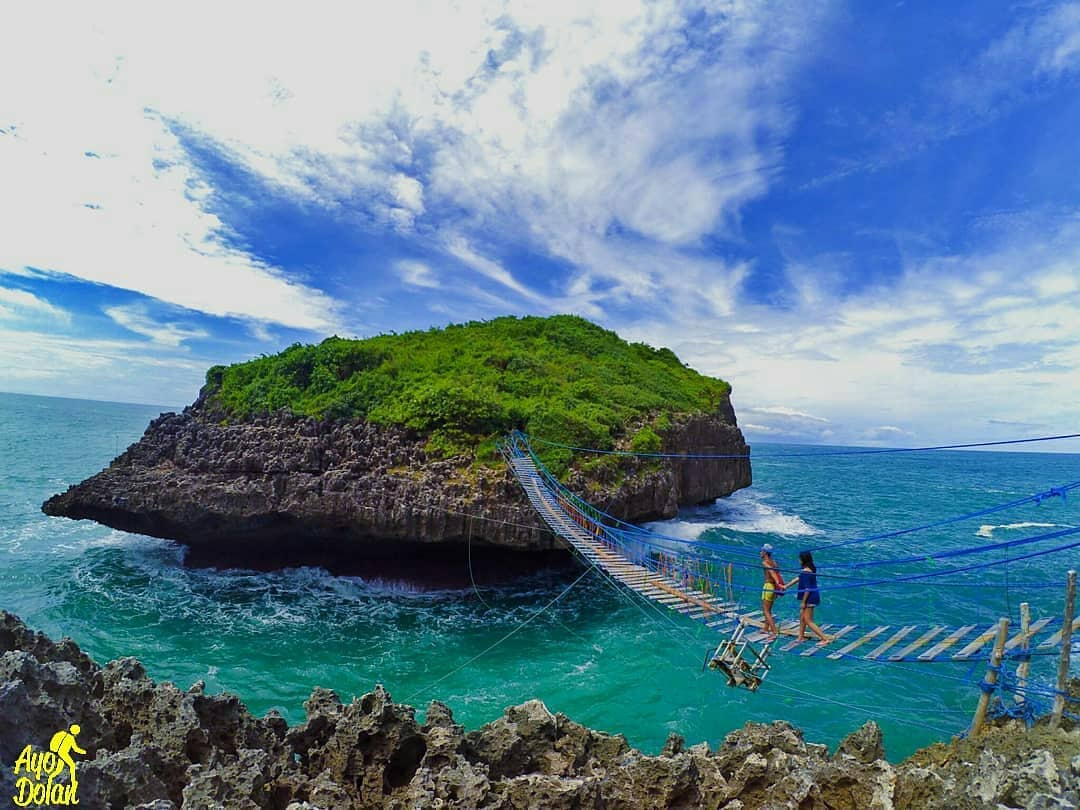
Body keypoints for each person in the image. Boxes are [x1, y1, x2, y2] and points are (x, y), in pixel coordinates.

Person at [785, 551, 831, 643]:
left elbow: (807, 589)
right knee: (802, 617)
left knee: (808, 620)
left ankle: (825, 639)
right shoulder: (810, 569)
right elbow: (798, 578)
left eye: (799, 558)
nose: (798, 560)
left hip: (810, 597)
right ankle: (800, 637)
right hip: (811, 595)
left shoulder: (806, 572)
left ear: (803, 560)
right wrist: (786, 586)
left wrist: (803, 602)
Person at [759, 543, 786, 639]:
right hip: (773, 587)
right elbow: (777, 573)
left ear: (765, 552)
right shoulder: (774, 562)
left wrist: (778, 583)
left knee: (766, 610)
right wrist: (778, 585)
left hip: (768, 586)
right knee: (768, 610)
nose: (760, 552)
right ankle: (766, 628)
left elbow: (772, 573)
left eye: (761, 551)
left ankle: (774, 632)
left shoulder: (765, 562)